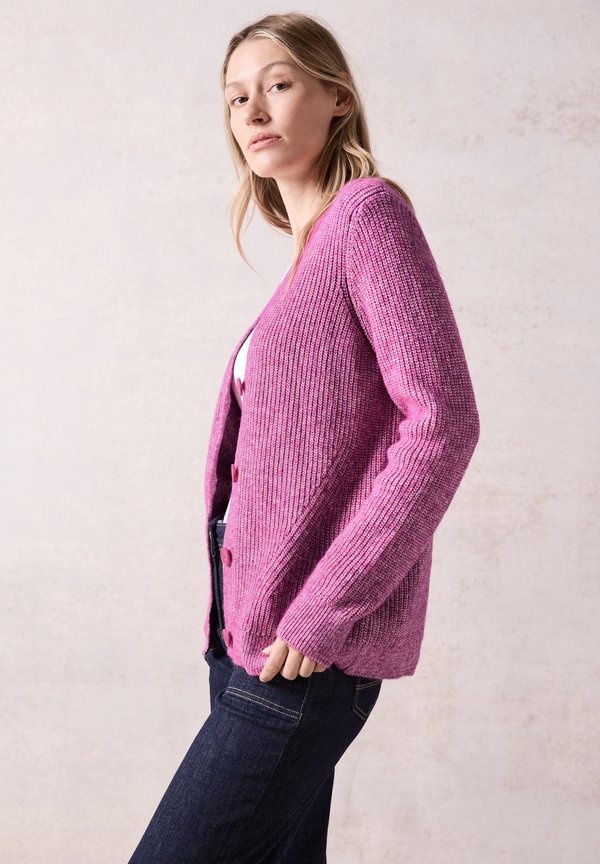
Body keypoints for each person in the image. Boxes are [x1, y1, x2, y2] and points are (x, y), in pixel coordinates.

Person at [127, 11, 480, 864]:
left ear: (336, 98)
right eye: (235, 96)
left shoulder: (368, 217)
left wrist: (326, 610)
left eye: (278, 85)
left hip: (301, 646)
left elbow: (443, 421)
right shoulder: (309, 255)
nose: (252, 111)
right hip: (247, 636)